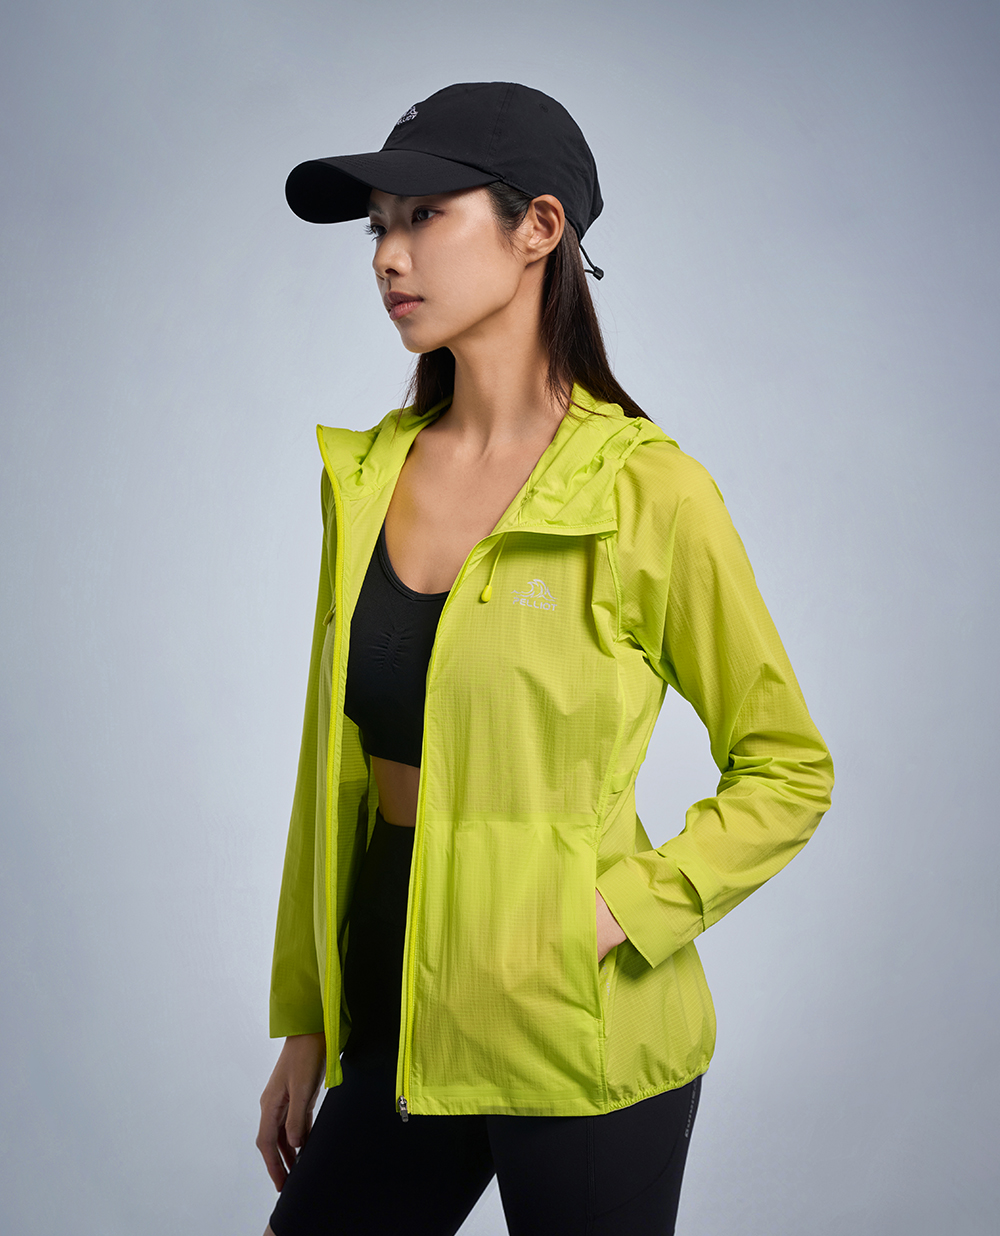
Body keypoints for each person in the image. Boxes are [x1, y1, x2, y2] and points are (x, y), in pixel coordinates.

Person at [256, 81, 834, 1236]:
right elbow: (331, 779)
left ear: (539, 227)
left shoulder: (646, 491)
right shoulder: (365, 479)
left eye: (425, 215)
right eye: (378, 226)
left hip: (578, 1027)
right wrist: (307, 1018)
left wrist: (614, 916)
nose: (388, 256)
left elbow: (787, 768)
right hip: (393, 1001)